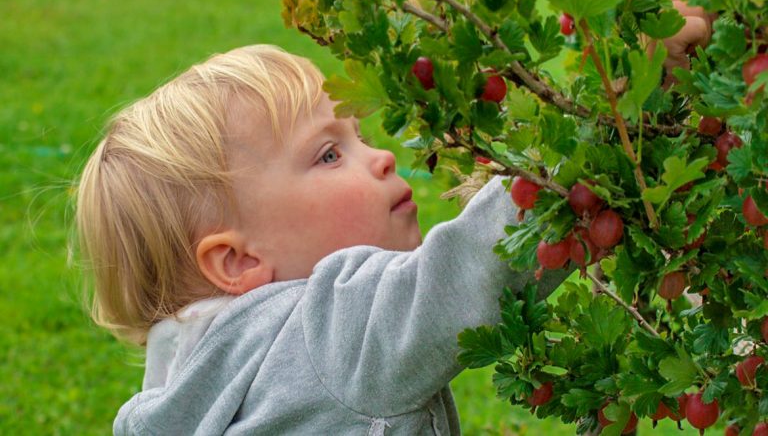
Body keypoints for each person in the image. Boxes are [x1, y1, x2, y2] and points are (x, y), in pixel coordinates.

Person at [76, 44, 569, 435]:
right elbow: (468, 274)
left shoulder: (180, 394)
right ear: (236, 261)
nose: (383, 158)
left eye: (362, 137)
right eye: (330, 154)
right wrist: (581, 156)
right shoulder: (328, 334)